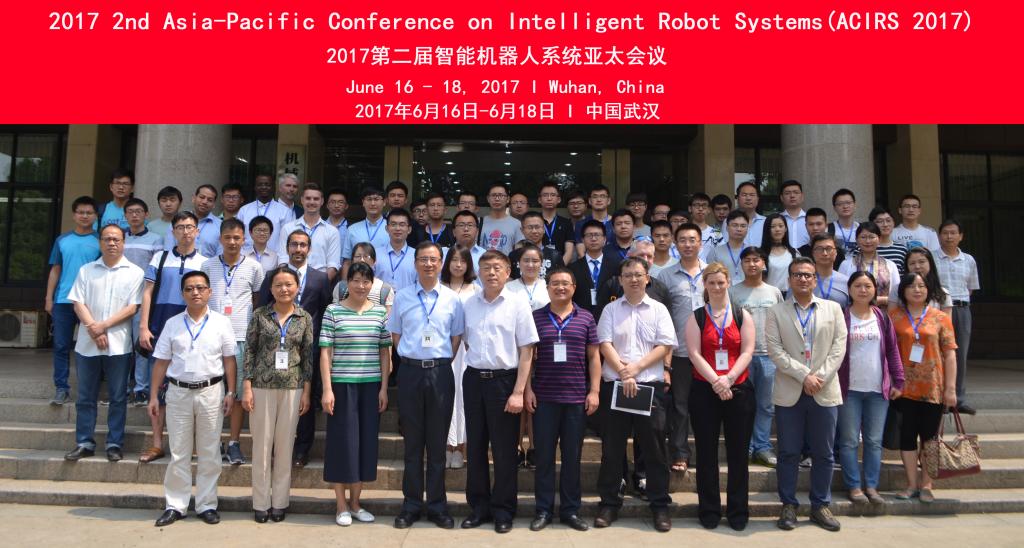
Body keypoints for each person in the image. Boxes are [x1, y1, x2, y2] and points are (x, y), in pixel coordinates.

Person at [594, 258, 676, 532]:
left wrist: (635, 370)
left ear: (647, 278)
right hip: (616, 386)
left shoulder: (659, 309)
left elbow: (664, 345)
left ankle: (660, 505)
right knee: (612, 449)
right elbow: (604, 343)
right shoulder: (610, 309)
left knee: (654, 450)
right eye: (627, 275)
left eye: (638, 275)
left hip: (648, 387)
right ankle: (609, 503)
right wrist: (623, 372)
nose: (633, 279)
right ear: (620, 280)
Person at [149, 271, 237, 527]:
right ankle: (175, 505)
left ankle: (206, 504)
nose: (195, 292)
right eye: (189, 289)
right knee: (179, 452)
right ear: (182, 294)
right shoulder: (173, 323)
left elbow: (229, 360)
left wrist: (231, 392)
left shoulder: (222, 323)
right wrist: (153, 395)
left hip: (212, 392)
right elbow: (161, 362)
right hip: (178, 393)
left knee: (210, 452)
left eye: (200, 287)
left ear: (209, 291)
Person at [766, 257, 847, 532]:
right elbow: (775, 351)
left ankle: (820, 505)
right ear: (789, 279)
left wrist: (818, 377)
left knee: (824, 453)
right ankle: (788, 505)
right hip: (791, 391)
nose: (802, 279)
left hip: (824, 390)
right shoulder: (776, 311)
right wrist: (804, 376)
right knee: (788, 452)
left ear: (815, 280)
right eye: (797, 274)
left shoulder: (833, 309)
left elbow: (839, 348)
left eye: (808, 275)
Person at [460, 251, 539, 533]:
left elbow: (527, 349)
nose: (491, 273)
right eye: (486, 268)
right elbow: (466, 342)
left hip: (505, 382)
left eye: (497, 268)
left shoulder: (518, 304)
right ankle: (479, 507)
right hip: (474, 379)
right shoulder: (469, 304)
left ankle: (503, 509)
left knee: (505, 450)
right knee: (476, 446)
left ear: (508, 272)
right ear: (478, 272)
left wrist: (518, 391)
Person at [388, 242, 465, 529]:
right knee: (412, 444)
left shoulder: (452, 299)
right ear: (415, 263)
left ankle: (437, 505)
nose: (428, 264)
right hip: (410, 373)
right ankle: (410, 505)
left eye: (433, 259)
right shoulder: (403, 296)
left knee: (437, 444)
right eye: (423, 259)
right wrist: (413, 358)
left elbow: (456, 338)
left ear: (441, 262)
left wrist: (438, 361)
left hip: (440, 373)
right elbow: (396, 335)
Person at [525, 267, 600, 532]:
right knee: (544, 457)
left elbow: (594, 357)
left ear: (574, 288)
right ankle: (543, 510)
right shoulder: (536, 317)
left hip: (576, 399)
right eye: (555, 283)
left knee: (572, 457)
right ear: (547, 288)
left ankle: (570, 510)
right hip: (544, 398)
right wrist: (526, 389)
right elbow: (527, 357)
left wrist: (594, 391)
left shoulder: (586, 317)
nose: (560, 287)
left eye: (565, 283)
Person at [64, 224, 144, 462]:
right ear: (100, 242)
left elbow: (132, 307)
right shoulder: (86, 270)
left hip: (118, 346)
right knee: (85, 397)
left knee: (118, 397)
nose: (112, 243)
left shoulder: (135, 272)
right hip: (87, 344)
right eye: (107, 239)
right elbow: (78, 302)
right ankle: (84, 442)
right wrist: (93, 328)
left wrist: (103, 326)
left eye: (116, 239)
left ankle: (114, 443)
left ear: (123, 243)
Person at [686, 263, 756, 530]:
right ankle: (709, 510)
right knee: (706, 454)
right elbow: (694, 354)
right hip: (705, 390)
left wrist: (728, 379)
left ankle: (738, 511)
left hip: (738, 388)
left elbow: (748, 351)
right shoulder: (697, 317)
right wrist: (716, 381)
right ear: (705, 285)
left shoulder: (741, 314)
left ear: (728, 283)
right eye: (711, 283)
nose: (716, 287)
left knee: (738, 454)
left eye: (720, 282)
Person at [320, 263, 391, 526]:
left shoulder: (380, 313)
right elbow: (325, 352)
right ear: (347, 283)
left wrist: (384, 388)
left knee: (365, 445)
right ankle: (341, 505)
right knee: (342, 445)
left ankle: (356, 503)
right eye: (356, 280)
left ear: (372, 284)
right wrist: (327, 389)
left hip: (370, 386)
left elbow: (384, 352)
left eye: (366, 281)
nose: (361, 286)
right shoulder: (333, 311)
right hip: (342, 386)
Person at [242, 267, 313, 523]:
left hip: (293, 388)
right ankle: (261, 503)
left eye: (289, 284)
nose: (284, 289)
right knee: (261, 447)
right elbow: (249, 351)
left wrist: (306, 392)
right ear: (271, 289)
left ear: (297, 287)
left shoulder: (304, 318)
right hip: (261, 388)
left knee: (285, 447)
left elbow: (308, 357)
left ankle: (280, 502)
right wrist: (247, 387)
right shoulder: (260, 315)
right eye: (279, 285)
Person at [137, 211, 209, 464]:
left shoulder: (205, 262)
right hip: (160, 326)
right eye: (180, 227)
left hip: (192, 329)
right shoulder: (160, 257)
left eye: (190, 227)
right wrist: (143, 326)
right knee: (158, 386)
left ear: (197, 231)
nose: (185, 232)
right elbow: (147, 293)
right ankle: (157, 443)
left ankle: (191, 445)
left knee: (190, 386)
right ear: (173, 231)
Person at [257, 230, 332, 468]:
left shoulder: (320, 278)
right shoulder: (273, 275)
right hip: (276, 348)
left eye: (303, 245)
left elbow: (325, 311)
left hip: (309, 348)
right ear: (287, 247)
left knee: (305, 399)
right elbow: (262, 308)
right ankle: (276, 448)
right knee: (276, 397)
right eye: (294, 245)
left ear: (309, 249)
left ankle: (301, 450)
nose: (298, 249)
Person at [889, 272, 958, 503]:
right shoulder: (894, 317)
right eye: (911, 286)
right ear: (903, 291)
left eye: (921, 286)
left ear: (928, 290)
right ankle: (911, 484)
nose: (917, 290)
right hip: (903, 388)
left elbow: (950, 355)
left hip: (933, 388)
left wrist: (950, 388)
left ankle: (927, 484)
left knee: (930, 438)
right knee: (907, 436)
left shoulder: (940, 318)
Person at [201, 219, 265, 466]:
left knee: (237, 393)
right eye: (227, 237)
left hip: (241, 337)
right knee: (212, 392)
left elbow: (258, 301)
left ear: (244, 240)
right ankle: (213, 440)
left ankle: (234, 442)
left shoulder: (254, 267)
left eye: (237, 238)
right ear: (220, 239)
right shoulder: (207, 266)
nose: (232, 242)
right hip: (211, 337)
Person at [837, 271, 905, 504]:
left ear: (875, 289)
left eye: (867, 285)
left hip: (878, 390)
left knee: (874, 441)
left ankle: (872, 486)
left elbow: (892, 351)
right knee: (849, 440)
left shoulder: (881, 317)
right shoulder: (842, 316)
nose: (863, 290)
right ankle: (854, 486)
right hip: (849, 389)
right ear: (849, 289)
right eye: (858, 285)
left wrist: (898, 380)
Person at [657, 222, 707, 474]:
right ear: (675, 244)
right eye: (683, 240)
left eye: (692, 240)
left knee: (707, 405)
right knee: (679, 405)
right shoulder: (665, 276)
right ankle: (680, 452)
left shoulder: (712, 272)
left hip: (710, 353)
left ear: (701, 243)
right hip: (680, 351)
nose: (688, 245)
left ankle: (707, 452)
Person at [729, 247, 784, 468]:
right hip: (742, 357)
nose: (752, 264)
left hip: (769, 356)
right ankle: (744, 446)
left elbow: (781, 322)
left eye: (756, 260)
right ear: (741, 265)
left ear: (764, 264)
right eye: (747, 260)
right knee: (741, 404)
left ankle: (761, 446)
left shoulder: (774, 292)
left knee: (766, 405)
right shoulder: (733, 292)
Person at [45, 196, 101, 405]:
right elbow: (56, 269)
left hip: (90, 302)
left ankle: (91, 389)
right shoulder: (62, 240)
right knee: (61, 345)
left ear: (95, 216)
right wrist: (49, 298)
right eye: (81, 212)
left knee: (92, 345)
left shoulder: (101, 240)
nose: (85, 216)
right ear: (74, 215)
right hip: (63, 300)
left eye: (89, 212)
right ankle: (61, 388)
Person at [935, 219, 980, 415]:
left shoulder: (969, 260)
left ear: (961, 236)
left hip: (961, 309)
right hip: (939, 310)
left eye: (953, 233)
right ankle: (939, 398)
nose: (949, 236)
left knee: (960, 354)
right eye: (945, 233)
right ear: (939, 236)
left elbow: (971, 288)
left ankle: (958, 399)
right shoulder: (932, 258)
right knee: (938, 352)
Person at [123, 198, 165, 405]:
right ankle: (121, 388)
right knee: (120, 348)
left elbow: (156, 272)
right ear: (125, 215)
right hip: (119, 301)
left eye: (139, 211)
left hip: (142, 300)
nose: (134, 215)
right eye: (130, 212)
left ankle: (141, 388)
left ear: (146, 214)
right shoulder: (119, 238)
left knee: (141, 347)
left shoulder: (156, 240)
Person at [441, 246, 480, 469]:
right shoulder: (439, 287)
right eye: (454, 260)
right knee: (446, 397)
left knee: (464, 397)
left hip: (467, 350)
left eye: (462, 261)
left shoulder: (476, 290)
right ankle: (446, 446)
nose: (458, 265)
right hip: (442, 349)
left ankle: (461, 448)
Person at [279, 183, 341, 280]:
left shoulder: (332, 232)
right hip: (291, 282)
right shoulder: (288, 228)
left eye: (316, 199)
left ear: (322, 201)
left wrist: (320, 285)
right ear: (302, 200)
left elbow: (333, 266)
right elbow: (283, 260)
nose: (312, 202)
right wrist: (291, 284)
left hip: (320, 283)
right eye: (308, 198)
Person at [838, 222, 901, 307]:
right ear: (856, 240)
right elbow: (842, 293)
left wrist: (881, 300)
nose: (867, 241)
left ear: (879, 239)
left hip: (884, 312)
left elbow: (897, 293)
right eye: (863, 237)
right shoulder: (846, 265)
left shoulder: (890, 265)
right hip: (853, 311)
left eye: (872, 237)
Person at [568, 219, 621, 316]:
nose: (593, 239)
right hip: (580, 317)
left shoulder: (616, 266)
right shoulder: (572, 268)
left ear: (604, 239)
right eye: (589, 235)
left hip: (610, 315)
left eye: (597, 235)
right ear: (582, 240)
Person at [238, 174, 295, 254]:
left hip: (275, 258)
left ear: (274, 187)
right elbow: (238, 236)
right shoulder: (244, 210)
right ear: (255, 187)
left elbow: (288, 238)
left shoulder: (285, 211)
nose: (264, 187)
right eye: (260, 184)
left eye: (267, 185)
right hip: (247, 257)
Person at [341, 187, 389, 278]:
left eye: (376, 199)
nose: (373, 203)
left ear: (384, 202)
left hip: (384, 281)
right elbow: (347, 262)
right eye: (369, 199)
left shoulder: (392, 229)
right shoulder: (352, 229)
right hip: (358, 281)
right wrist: (345, 284)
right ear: (363, 202)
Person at [333, 242, 395, 312]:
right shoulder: (341, 287)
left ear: (374, 261)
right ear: (352, 260)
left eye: (366, 256)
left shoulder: (385, 289)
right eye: (358, 256)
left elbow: (388, 316)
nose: (362, 260)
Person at [165, 185, 221, 258]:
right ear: (193, 198)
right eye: (202, 197)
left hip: (208, 265)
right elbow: (168, 252)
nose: (204, 202)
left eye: (210, 200)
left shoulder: (220, 226)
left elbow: (221, 257)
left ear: (214, 205)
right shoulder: (178, 220)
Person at [373, 208, 417, 291]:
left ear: (409, 229)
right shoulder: (375, 254)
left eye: (402, 225)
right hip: (379, 299)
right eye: (393, 224)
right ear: (387, 229)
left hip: (408, 299)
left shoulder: (417, 256)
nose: (397, 228)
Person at [509, 211, 563, 279]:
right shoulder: (514, 255)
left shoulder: (555, 255)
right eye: (530, 227)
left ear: (544, 229)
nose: (534, 231)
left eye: (537, 227)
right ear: (522, 230)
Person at [706, 210, 750, 285]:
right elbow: (709, 277)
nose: (739, 229)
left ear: (747, 228)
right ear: (727, 227)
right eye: (735, 225)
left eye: (743, 226)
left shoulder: (752, 252)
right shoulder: (715, 252)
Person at [537, 181, 576, 265]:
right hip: (537, 267)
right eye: (545, 195)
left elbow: (569, 252)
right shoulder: (533, 221)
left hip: (560, 268)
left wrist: (558, 269)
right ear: (539, 200)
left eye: (553, 195)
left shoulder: (566, 223)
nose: (549, 198)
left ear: (559, 199)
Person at [808, 233, 851, 309]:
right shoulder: (803, 280)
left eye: (829, 249)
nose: (824, 253)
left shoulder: (847, 282)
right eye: (819, 249)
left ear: (836, 252)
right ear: (813, 253)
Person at [759, 214, 798, 295]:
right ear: (767, 229)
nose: (777, 229)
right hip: (769, 295)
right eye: (773, 227)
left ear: (786, 229)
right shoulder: (760, 254)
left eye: (780, 226)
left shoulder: (793, 253)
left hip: (790, 296)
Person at [480, 184, 524, 254]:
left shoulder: (516, 224)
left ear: (508, 199)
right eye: (493, 195)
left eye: (501, 195)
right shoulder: (479, 222)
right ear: (488, 199)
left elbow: (519, 251)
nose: (497, 199)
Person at [506, 244, 551, 311]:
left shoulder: (548, 286)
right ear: (519, 263)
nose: (530, 265)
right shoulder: (508, 287)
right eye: (526, 261)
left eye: (535, 261)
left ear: (541, 263)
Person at [573, 185, 613, 256]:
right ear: (589, 201)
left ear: (609, 200)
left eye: (602, 196)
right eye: (595, 196)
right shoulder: (581, 224)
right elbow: (581, 253)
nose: (599, 200)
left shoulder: (616, 223)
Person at [869, 205, 909, 274]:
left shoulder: (902, 249)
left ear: (893, 223)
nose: (885, 224)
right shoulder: (865, 247)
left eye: (888, 220)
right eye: (880, 221)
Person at [779, 179, 810, 249]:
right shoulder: (777, 220)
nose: (792, 196)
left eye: (796, 192)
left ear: (802, 196)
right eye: (787, 193)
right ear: (781, 198)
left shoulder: (810, 219)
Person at [736, 181, 766, 248]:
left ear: (758, 199)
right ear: (737, 199)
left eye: (752, 195)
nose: (748, 198)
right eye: (744, 195)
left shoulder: (766, 221)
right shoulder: (729, 221)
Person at [830, 189, 859, 254]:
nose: (845, 206)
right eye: (840, 204)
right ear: (834, 208)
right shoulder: (828, 229)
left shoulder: (861, 228)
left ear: (855, 205)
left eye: (848, 203)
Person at [687, 193, 715, 257]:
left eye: (704, 205)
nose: (700, 209)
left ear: (709, 210)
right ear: (690, 208)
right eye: (697, 205)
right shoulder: (683, 232)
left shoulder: (717, 233)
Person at [326, 188, 350, 253]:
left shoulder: (351, 228)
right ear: (327, 205)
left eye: (340, 202)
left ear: (346, 206)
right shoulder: (320, 226)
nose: (336, 206)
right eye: (333, 202)